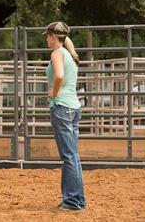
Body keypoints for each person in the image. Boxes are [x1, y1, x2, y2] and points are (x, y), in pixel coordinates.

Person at [44, 21, 86, 211]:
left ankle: (71, 202)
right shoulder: (69, 54)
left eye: (47, 35)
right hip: (73, 107)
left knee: (69, 156)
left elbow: (59, 76)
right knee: (73, 156)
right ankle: (77, 200)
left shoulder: (57, 53)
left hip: (62, 107)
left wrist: (53, 92)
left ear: (53, 36)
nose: (46, 39)